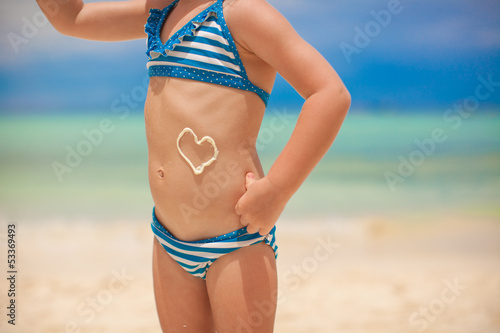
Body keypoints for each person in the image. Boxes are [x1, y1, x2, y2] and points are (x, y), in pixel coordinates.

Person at [36, 0, 351, 331]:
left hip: (234, 240)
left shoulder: (242, 15)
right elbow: (73, 18)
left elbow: (329, 94)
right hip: (168, 239)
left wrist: (277, 190)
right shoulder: (158, 14)